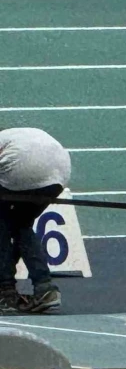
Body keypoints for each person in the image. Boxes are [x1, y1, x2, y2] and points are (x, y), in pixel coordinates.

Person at [0, 128, 70, 313]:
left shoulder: (7, 141)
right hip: (61, 170)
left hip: (23, 165)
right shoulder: (15, 135)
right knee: (21, 224)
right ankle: (44, 288)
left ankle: (5, 292)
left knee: (3, 224)